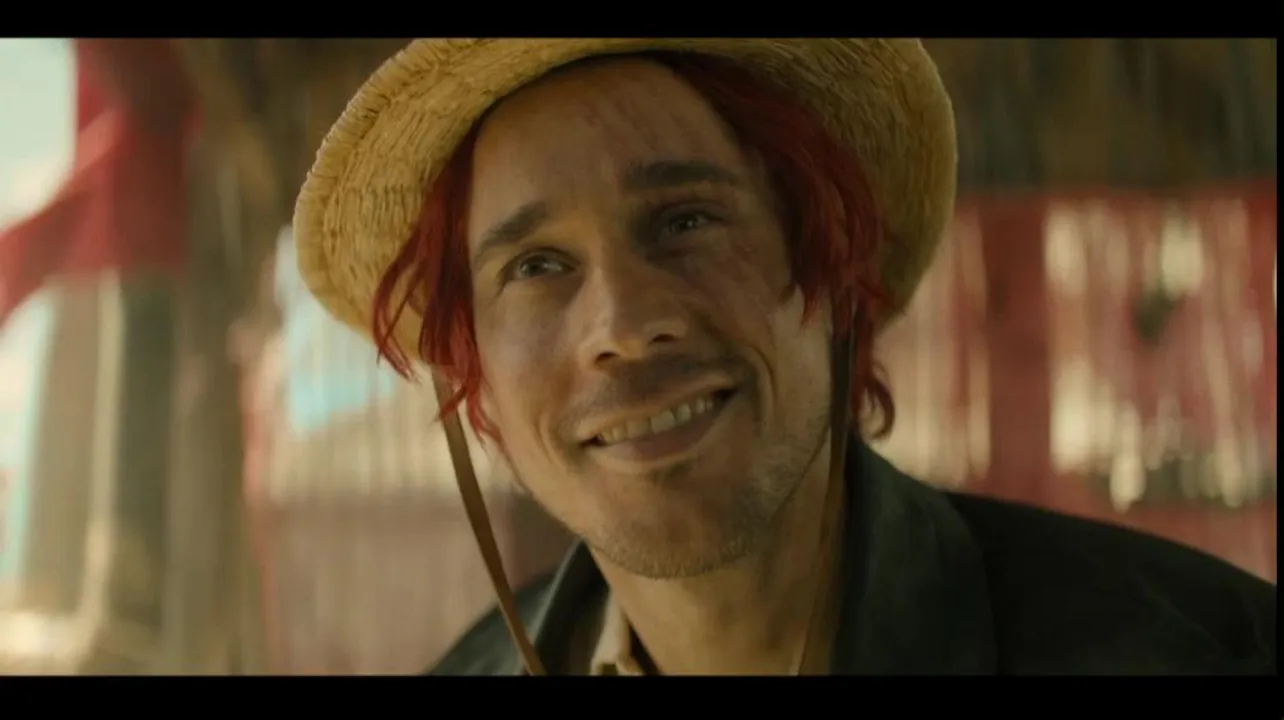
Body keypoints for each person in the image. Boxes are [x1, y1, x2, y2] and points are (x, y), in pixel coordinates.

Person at [292, 39, 1276, 675]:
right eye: (537, 266)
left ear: (830, 268)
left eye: (685, 220)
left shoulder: (1194, 652)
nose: (623, 325)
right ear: (475, 376)